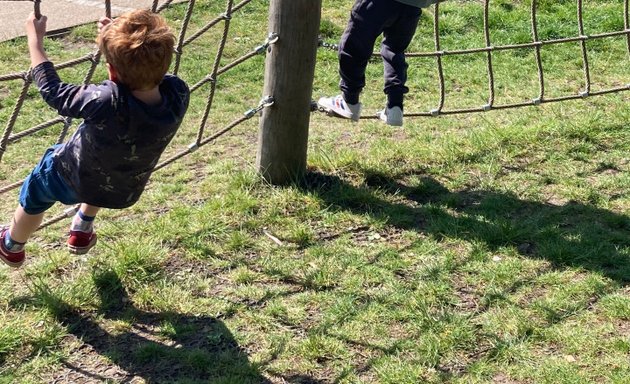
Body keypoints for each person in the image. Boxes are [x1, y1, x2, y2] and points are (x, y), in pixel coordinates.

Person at [0, 10, 190, 268]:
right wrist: (114, 42)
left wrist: (35, 41)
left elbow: (54, 92)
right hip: (123, 187)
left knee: (34, 194)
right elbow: (143, 72)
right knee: (109, 162)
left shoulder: (105, 101)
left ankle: (12, 244)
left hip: (67, 176)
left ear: (111, 71)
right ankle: (82, 227)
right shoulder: (178, 93)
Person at [318, 0, 436, 126]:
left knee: (353, 45)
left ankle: (349, 100)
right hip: (414, 5)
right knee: (394, 50)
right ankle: (395, 105)